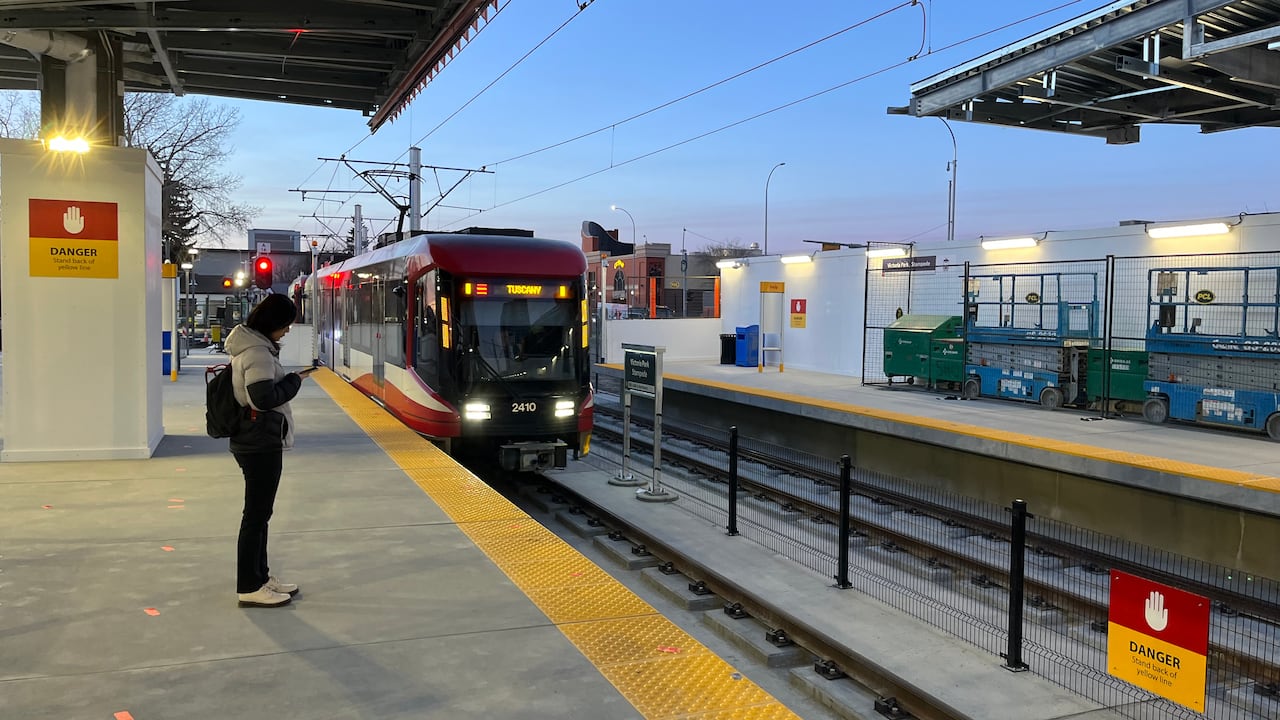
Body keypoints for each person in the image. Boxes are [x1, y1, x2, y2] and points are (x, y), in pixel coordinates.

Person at [224, 293, 307, 608]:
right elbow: (261, 398)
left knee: (260, 514)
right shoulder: (258, 353)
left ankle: (261, 577)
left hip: (255, 442)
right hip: (259, 443)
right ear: (273, 323)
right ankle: (249, 585)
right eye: (285, 325)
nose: (287, 331)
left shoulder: (253, 347)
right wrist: (293, 382)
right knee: (256, 516)